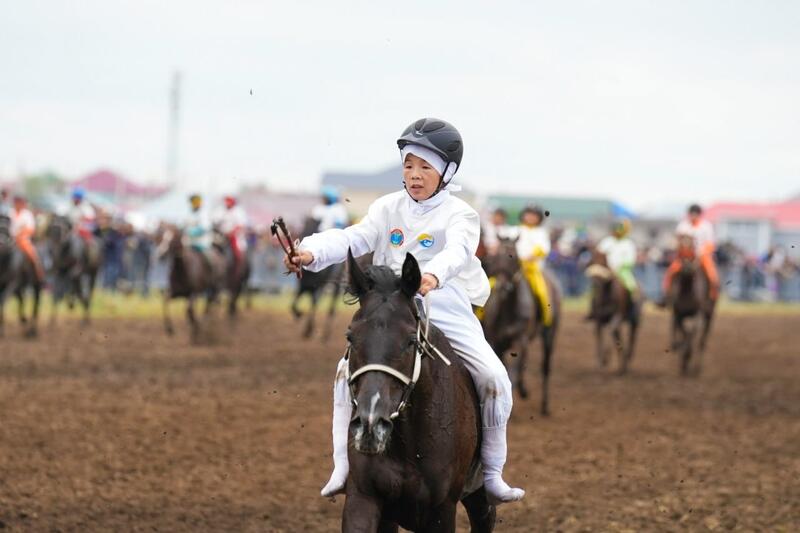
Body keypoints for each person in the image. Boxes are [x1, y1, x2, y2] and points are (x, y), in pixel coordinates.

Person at [285, 118, 524, 504]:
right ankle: (342, 467)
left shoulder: (461, 215)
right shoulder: (386, 207)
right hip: (390, 305)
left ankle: (492, 474)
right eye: (409, 165)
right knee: (344, 372)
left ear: (446, 172)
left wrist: (432, 275)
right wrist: (310, 252)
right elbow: (353, 237)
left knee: (495, 377)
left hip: (444, 304)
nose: (414, 175)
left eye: (425, 167)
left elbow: (458, 252)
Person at [662, 204, 719, 301]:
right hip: (685, 257)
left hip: (702, 256)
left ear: (699, 215)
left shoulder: (706, 227)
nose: (693, 216)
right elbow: (678, 241)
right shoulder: (683, 226)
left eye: (695, 214)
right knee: (670, 272)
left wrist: (701, 252)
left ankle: (712, 295)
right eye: (691, 214)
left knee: (712, 274)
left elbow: (710, 244)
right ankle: (667, 295)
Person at [515, 205, 553, 327]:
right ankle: (481, 316)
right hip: (515, 269)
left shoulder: (541, 233)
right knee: (493, 284)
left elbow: (544, 249)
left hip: (533, 270)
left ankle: (544, 318)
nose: (530, 217)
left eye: (534, 215)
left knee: (542, 292)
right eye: (528, 214)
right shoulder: (515, 230)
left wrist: (532, 256)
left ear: (539, 218)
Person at [596, 219, 639, 295]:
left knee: (631, 285)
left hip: (622, 271)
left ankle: (633, 303)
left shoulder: (628, 243)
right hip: (605, 270)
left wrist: (620, 267)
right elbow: (599, 253)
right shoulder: (607, 241)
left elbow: (631, 259)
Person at [10, 195, 45, 281]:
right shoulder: (10, 212)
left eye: (20, 202)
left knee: (31, 253)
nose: (17, 204)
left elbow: (31, 229)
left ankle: (38, 271)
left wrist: (19, 235)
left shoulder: (27, 214)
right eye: (16, 202)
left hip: (23, 239)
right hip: (9, 238)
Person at [218, 195, 249, 274]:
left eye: (229, 201)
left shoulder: (238, 211)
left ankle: (238, 271)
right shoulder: (221, 211)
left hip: (235, 238)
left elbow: (241, 225)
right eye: (226, 201)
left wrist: (231, 232)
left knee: (238, 255)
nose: (227, 203)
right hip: (222, 236)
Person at [186, 194, 213, 268]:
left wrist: (194, 232)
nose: (194, 204)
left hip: (202, 243)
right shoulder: (190, 213)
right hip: (189, 243)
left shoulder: (204, 213)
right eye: (193, 202)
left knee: (209, 260)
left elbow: (205, 227)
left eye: (196, 202)